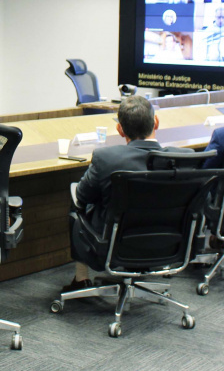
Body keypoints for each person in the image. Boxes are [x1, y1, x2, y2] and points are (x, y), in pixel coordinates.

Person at [64, 96, 190, 292]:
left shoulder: (107, 158)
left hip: (113, 246)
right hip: (169, 244)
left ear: (120, 129)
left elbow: (82, 197)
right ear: (156, 122)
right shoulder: (185, 158)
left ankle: (81, 279)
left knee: (77, 202)